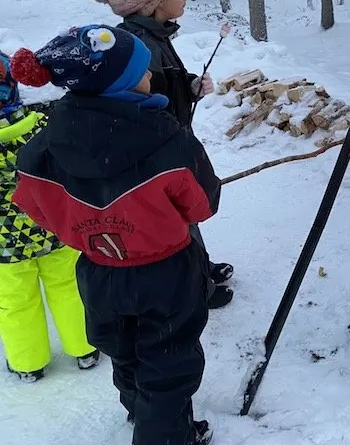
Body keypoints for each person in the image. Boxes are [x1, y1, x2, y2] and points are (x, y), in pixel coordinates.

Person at [10, 25, 220, 444]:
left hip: (98, 272)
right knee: (168, 361)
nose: (150, 77)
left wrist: (85, 230)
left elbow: (34, 206)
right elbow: (203, 205)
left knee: (124, 351)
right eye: (142, 72)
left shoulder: (44, 145)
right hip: (166, 273)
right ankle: (164, 434)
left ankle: (142, 414)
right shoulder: (167, 141)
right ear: (118, 83)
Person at [84, 0, 234, 309]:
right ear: (153, 1)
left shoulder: (152, 37)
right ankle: (197, 286)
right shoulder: (139, 44)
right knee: (177, 217)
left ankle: (201, 268)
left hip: (168, 142)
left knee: (184, 212)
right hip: (158, 151)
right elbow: (141, 103)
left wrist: (188, 86)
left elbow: (162, 85)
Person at [0, 52, 99, 382]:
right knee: (69, 287)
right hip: (52, 227)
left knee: (15, 302)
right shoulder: (43, 122)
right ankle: (84, 348)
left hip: (4, 248)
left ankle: (28, 364)